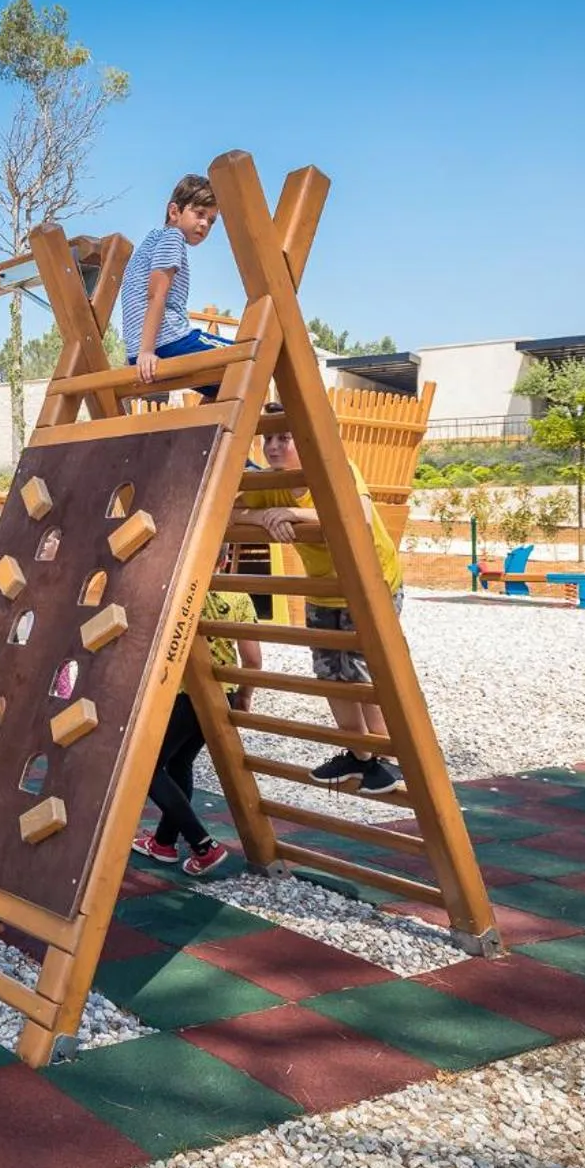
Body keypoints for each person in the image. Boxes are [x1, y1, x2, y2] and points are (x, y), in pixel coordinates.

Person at [236, 402, 405, 795]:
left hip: (371, 583)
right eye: (268, 439)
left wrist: (292, 514)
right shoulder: (266, 484)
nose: (273, 447)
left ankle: (388, 759)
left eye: (284, 438)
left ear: (306, 441)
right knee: (330, 675)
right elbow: (227, 515)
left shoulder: (334, 467)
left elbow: (358, 513)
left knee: (362, 673)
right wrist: (261, 517)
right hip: (323, 592)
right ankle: (358, 754)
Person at [132, 547, 260, 876]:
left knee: (147, 767)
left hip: (188, 696)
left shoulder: (184, 590)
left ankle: (202, 845)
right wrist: (243, 696)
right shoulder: (239, 596)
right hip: (225, 694)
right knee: (179, 762)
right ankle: (163, 842)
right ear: (226, 559)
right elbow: (254, 659)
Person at [120, 175, 223, 396]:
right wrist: (146, 351)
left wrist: (140, 352)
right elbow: (156, 295)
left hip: (139, 349)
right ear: (174, 212)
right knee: (254, 354)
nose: (205, 224)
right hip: (170, 342)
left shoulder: (152, 241)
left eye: (212, 220)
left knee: (223, 386)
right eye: (199, 214)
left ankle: (213, 430)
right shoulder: (172, 238)